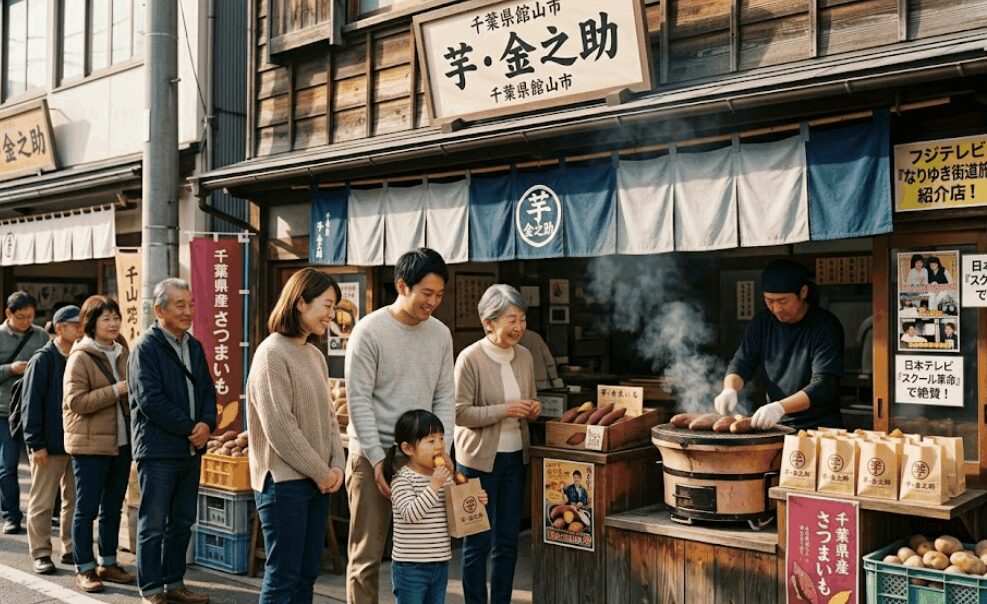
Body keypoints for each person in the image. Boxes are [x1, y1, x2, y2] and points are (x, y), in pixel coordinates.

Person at [345, 248, 456, 604]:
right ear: (402, 285)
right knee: (367, 556)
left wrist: (444, 451)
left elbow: (444, 398)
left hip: (425, 461)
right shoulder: (369, 331)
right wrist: (377, 459)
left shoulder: (440, 334)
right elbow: (358, 399)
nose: (433, 302)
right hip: (373, 456)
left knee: (423, 552)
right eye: (427, 293)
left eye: (439, 295)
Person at [246, 269, 346, 603]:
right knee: (284, 575)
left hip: (319, 482)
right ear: (300, 302)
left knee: (306, 574)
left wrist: (337, 466)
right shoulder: (271, 353)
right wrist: (324, 472)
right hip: (284, 483)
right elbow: (281, 430)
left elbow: (330, 420)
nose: (332, 315)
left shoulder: (314, 355)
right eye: (327, 305)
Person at [128, 279, 217, 604]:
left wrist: (207, 423)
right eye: (180, 305)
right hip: (158, 450)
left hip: (191, 448)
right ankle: (151, 589)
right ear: (159, 309)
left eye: (191, 304)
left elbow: (208, 389)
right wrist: (191, 427)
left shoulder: (193, 345)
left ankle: (174, 582)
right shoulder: (146, 348)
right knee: (153, 523)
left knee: (182, 521)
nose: (188, 311)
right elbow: (150, 400)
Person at [454, 284, 540, 604]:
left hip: (516, 457)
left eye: (522, 319)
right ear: (488, 322)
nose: (518, 327)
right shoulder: (469, 359)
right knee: (477, 542)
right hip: (475, 462)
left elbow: (530, 401)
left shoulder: (526, 356)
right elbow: (459, 413)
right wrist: (504, 410)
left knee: (507, 541)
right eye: (510, 319)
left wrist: (533, 408)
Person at [713, 259, 845, 430]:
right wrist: (729, 389)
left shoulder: (825, 326)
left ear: (803, 292)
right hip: (778, 426)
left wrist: (779, 407)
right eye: (769, 300)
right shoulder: (762, 322)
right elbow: (742, 362)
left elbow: (824, 384)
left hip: (819, 428)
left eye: (783, 301)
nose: (776, 309)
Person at [63, 296, 135, 593]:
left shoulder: (122, 350)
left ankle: (108, 561)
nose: (114, 323)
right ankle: (85, 568)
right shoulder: (81, 356)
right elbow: (75, 402)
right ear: (91, 324)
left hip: (121, 442)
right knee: (87, 508)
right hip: (90, 445)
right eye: (106, 319)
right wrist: (114, 390)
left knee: (113, 506)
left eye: (116, 317)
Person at [386, 410, 487, 604]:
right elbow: (410, 514)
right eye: (431, 441)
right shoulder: (402, 480)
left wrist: (475, 499)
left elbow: (458, 508)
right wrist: (433, 486)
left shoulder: (445, 477)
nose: (439, 446)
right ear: (408, 448)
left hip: (440, 563)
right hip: (411, 567)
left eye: (441, 438)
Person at [22, 306, 82, 574]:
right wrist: (35, 443)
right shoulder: (43, 358)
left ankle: (70, 547)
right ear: (60, 328)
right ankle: (41, 552)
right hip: (49, 442)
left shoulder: (81, 355)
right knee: (43, 501)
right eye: (75, 325)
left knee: (74, 499)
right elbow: (30, 404)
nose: (81, 328)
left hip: (77, 441)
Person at [0, 291, 49, 534]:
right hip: (4, 411)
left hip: (32, 410)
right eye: (21, 317)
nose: (27, 321)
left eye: (31, 316)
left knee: (46, 465)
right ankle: (11, 515)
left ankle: (46, 513)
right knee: (7, 466)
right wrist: (10, 368)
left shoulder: (40, 335)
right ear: (9, 313)